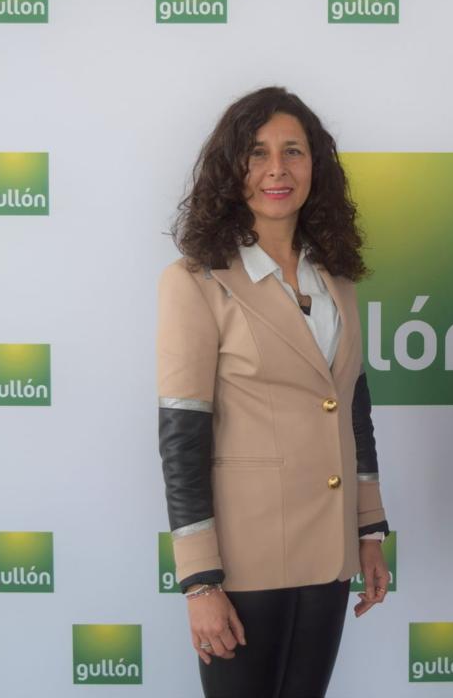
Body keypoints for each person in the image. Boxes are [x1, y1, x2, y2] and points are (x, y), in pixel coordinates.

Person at [158, 86, 390, 698]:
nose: (276, 170)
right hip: (242, 561)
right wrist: (200, 582)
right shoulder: (196, 281)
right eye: (256, 154)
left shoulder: (338, 279)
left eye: (294, 151)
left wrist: (370, 533)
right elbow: (182, 437)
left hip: (329, 552)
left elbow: (354, 417)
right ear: (230, 169)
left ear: (317, 166)